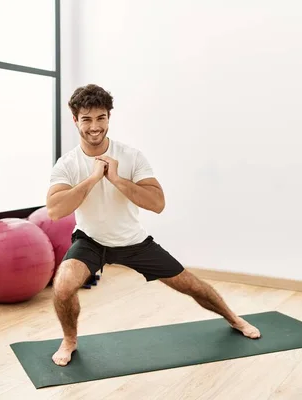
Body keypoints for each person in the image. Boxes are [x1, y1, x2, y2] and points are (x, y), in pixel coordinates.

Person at [46, 84, 261, 367]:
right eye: (86, 119)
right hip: (91, 241)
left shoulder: (132, 156)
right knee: (62, 287)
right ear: (75, 121)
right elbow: (54, 210)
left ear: (109, 117)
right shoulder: (68, 164)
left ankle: (234, 319)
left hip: (133, 241)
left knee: (191, 285)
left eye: (101, 118)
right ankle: (70, 340)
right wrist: (93, 178)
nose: (95, 126)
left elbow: (157, 203)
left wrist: (117, 179)